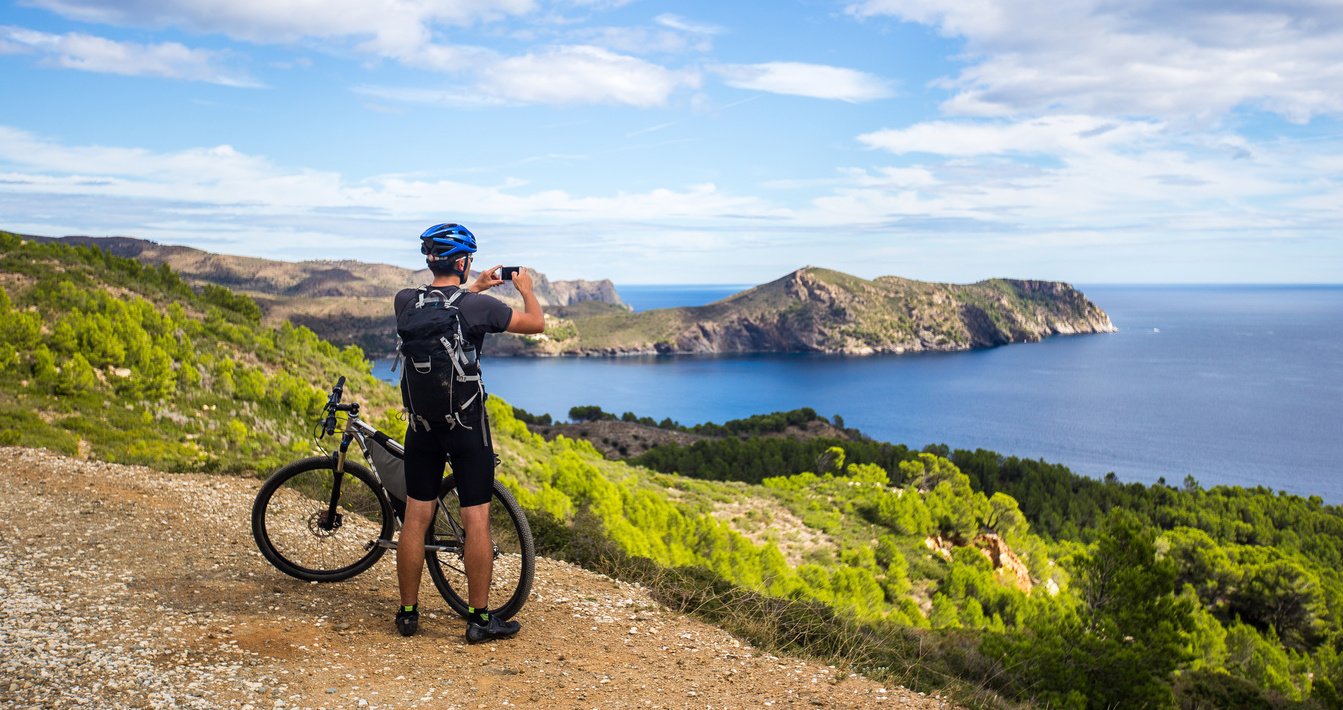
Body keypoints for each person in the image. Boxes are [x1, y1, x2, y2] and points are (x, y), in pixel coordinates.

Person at [392, 222, 544, 642]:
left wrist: (472, 286)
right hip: (466, 425)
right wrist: (525, 288)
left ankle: (407, 614)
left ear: (430, 259)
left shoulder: (405, 301)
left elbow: (444, 306)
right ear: (461, 261)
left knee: (415, 519)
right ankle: (479, 620)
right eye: (470, 260)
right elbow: (536, 324)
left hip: (421, 427)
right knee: (476, 520)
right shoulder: (479, 309)